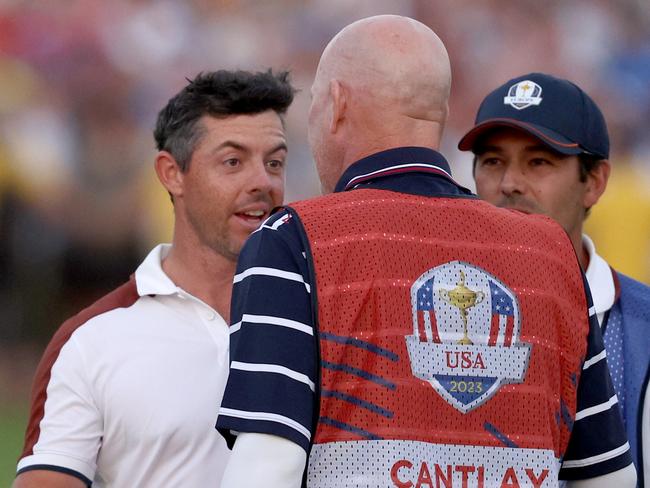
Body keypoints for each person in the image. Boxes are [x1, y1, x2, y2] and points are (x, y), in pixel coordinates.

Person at [216, 16, 636, 488]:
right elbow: (607, 478)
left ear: (336, 104)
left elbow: (267, 466)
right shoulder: (551, 254)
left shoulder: (294, 238)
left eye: (311, 103)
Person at [13, 69, 295, 488]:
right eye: (233, 161)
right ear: (171, 173)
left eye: (274, 162)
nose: (263, 182)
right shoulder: (90, 341)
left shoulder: (321, 319)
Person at [458, 72, 650, 487]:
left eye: (538, 162)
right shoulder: (441, 315)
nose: (509, 184)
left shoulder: (642, 329)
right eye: (493, 161)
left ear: (594, 182)